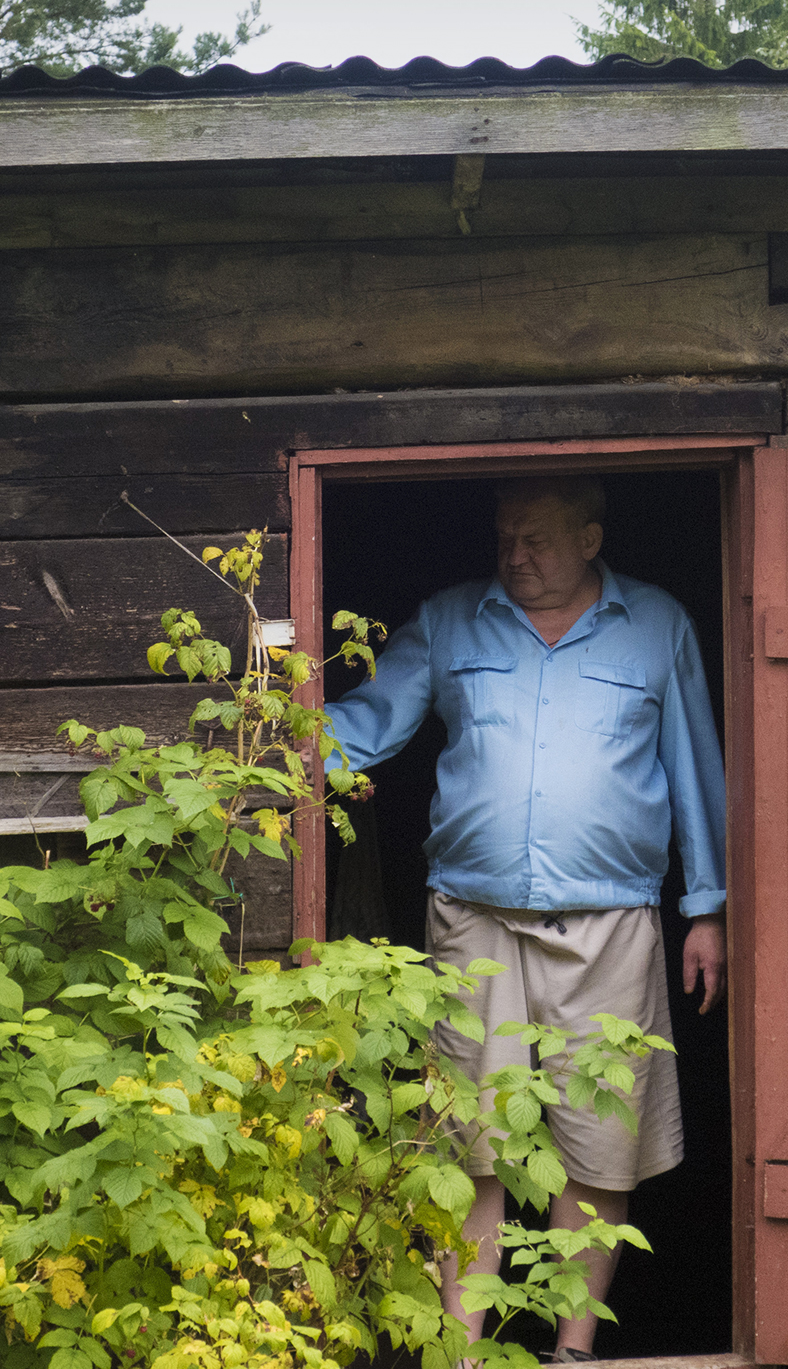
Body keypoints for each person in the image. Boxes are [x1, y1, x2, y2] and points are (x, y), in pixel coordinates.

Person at [323, 475, 728, 1363]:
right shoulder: (452, 619)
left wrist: (707, 909)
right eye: (505, 537)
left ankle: (572, 1351)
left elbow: (695, 769)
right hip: (472, 921)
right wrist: (261, 746)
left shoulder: (658, 626)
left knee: (599, 1144)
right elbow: (367, 722)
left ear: (590, 539)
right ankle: (464, 1351)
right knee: (472, 1144)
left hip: (613, 924)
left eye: (536, 538)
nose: (514, 556)